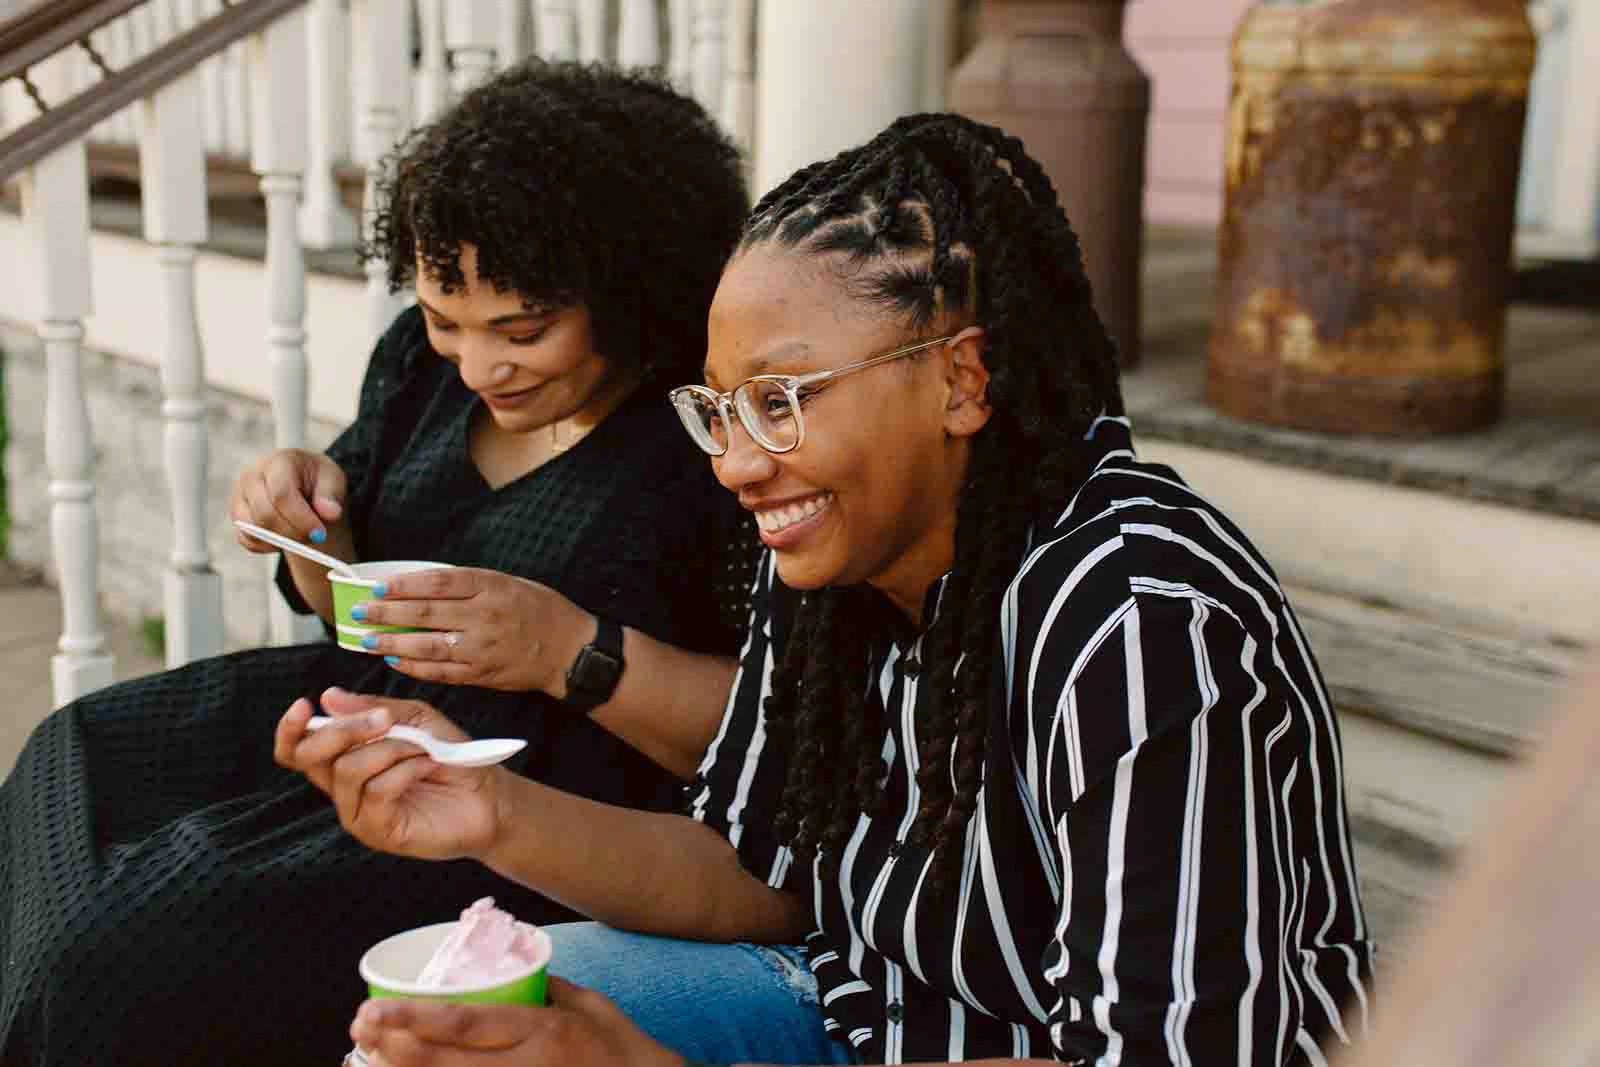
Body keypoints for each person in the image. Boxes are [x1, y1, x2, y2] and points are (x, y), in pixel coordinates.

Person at [279, 113, 1376, 1066]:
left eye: (783, 397)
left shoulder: (1137, 623)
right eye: (720, 409)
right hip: (867, 1018)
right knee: (444, 1033)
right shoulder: (826, 560)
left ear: (962, 378)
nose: (738, 462)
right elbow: (760, 875)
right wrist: (490, 813)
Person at [0, 62, 756, 1067]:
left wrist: (566, 652)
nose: (480, 367)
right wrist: (304, 532)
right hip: (365, 710)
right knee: (75, 751)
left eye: (523, 329)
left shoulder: (706, 441)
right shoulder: (416, 366)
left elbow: (765, 735)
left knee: (132, 935)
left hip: (537, 796)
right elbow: (346, 609)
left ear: (634, 287)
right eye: (449, 318)